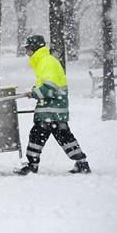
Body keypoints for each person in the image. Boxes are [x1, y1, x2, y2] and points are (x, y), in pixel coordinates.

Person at [16, 35, 91, 175]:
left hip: (50, 110)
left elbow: (50, 88)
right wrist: (34, 90)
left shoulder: (47, 62)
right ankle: (82, 163)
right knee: (64, 136)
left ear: (35, 48)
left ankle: (32, 166)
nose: (26, 52)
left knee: (37, 136)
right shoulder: (45, 62)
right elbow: (46, 84)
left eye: (28, 49)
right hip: (55, 109)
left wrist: (34, 94)